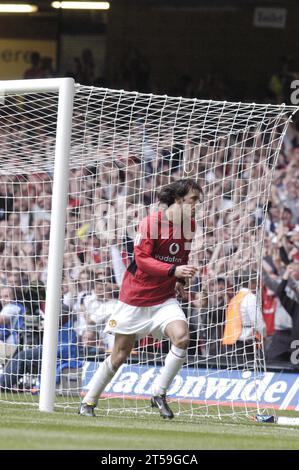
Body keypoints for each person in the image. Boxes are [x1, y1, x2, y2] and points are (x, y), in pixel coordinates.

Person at [78, 178, 202, 419]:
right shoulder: (151, 223)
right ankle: (88, 401)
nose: (197, 205)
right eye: (193, 200)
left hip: (164, 299)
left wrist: (179, 281)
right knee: (120, 355)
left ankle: (158, 393)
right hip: (135, 299)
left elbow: (181, 257)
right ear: (178, 200)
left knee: (182, 337)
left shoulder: (191, 225)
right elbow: (142, 260)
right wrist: (173, 271)